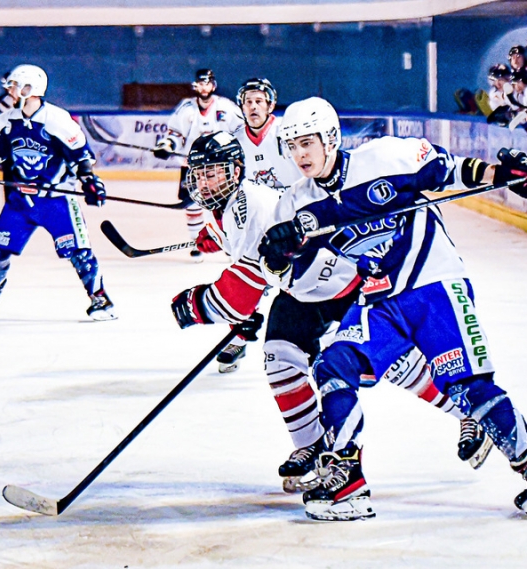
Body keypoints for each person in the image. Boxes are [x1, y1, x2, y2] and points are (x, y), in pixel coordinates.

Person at [258, 97, 527, 521]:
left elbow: (452, 170)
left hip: (434, 284)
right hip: (378, 300)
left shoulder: (386, 157)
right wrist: (280, 257)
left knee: (469, 387)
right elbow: (292, 278)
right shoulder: (295, 205)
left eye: (307, 143)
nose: (300, 154)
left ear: (331, 139)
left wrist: (507, 175)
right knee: (334, 366)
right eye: (292, 146)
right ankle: (347, 482)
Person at [172, 131, 493, 496]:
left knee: (395, 364)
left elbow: (242, 291)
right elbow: (253, 266)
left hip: (342, 281)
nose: (203, 182)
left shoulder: (252, 204)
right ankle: (312, 446)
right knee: (279, 357)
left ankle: (471, 412)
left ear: (234, 171)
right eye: (199, 175)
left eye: (212, 173)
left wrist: (196, 305)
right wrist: (219, 237)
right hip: (300, 289)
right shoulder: (231, 208)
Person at [0, 64, 114, 321]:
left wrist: (89, 181)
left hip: (56, 201)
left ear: (29, 88)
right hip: (20, 201)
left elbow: (80, 156)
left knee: (78, 252)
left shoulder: (56, 120)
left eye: (14, 86)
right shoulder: (5, 120)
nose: (10, 91)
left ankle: (100, 298)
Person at [192, 78, 303, 374]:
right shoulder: (234, 140)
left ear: (270, 104)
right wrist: (219, 229)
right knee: (246, 273)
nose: (253, 107)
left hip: (294, 220)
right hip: (255, 220)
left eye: (259, 101)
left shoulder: (287, 134)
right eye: (248, 101)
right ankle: (239, 335)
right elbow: (226, 192)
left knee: (293, 281)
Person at [152, 69, 244, 261]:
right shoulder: (186, 108)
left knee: (227, 204)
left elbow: (240, 131)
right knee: (192, 205)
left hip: (221, 169)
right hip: (193, 168)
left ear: (213, 85)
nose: (204, 87)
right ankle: (197, 243)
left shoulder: (226, 107)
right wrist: (166, 146)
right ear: (195, 86)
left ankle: (230, 242)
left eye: (207, 83)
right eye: (200, 84)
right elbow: (175, 135)